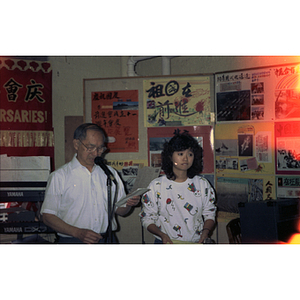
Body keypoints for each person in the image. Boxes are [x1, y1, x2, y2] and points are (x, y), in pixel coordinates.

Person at [41, 123, 140, 244]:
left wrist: (129, 203)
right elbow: (47, 216)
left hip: (107, 239)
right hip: (73, 240)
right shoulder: (60, 176)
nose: (95, 153)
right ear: (76, 144)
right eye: (90, 147)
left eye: (100, 148)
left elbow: (120, 210)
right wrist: (77, 232)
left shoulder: (109, 173)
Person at [140, 130, 217, 244]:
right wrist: (162, 235)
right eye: (180, 154)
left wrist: (205, 232)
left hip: (196, 242)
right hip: (165, 242)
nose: (185, 158)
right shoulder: (156, 186)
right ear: (170, 157)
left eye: (190, 154)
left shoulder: (202, 184)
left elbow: (210, 213)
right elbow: (147, 218)